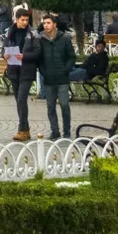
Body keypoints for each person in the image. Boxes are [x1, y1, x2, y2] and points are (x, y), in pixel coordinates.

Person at [3, 4, 41, 141]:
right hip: (13, 70)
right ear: (16, 19)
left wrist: (24, 56)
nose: (25, 22)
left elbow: (37, 53)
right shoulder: (9, 32)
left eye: (27, 20)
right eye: (22, 20)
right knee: (18, 102)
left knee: (21, 99)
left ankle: (21, 130)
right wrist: (5, 55)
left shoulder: (32, 34)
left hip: (27, 71)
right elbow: (3, 48)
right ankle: (26, 129)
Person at [38, 11, 76, 140]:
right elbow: (39, 60)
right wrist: (44, 72)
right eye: (44, 23)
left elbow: (72, 57)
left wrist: (65, 70)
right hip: (49, 79)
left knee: (64, 105)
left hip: (62, 78)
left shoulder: (64, 38)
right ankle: (54, 131)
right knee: (50, 106)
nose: (46, 25)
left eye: (48, 23)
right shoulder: (41, 40)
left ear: (54, 24)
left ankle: (67, 131)